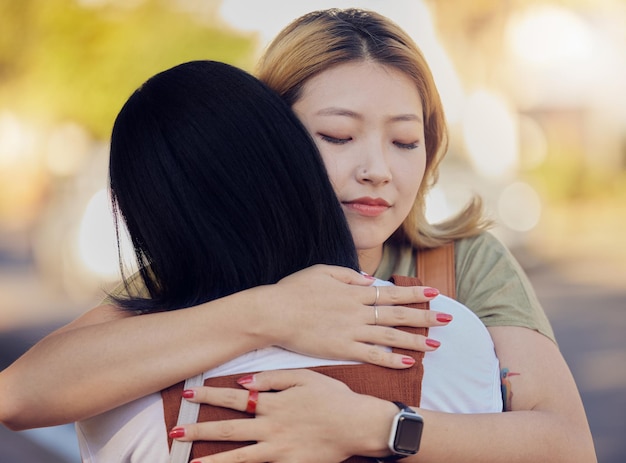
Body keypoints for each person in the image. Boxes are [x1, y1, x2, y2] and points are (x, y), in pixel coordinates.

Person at [0, 6, 594, 462]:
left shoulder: (461, 262)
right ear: (273, 142)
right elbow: (23, 395)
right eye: (338, 136)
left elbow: (567, 444)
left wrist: (371, 426)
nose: (378, 170)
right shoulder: (210, 265)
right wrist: (272, 313)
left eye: (405, 141)